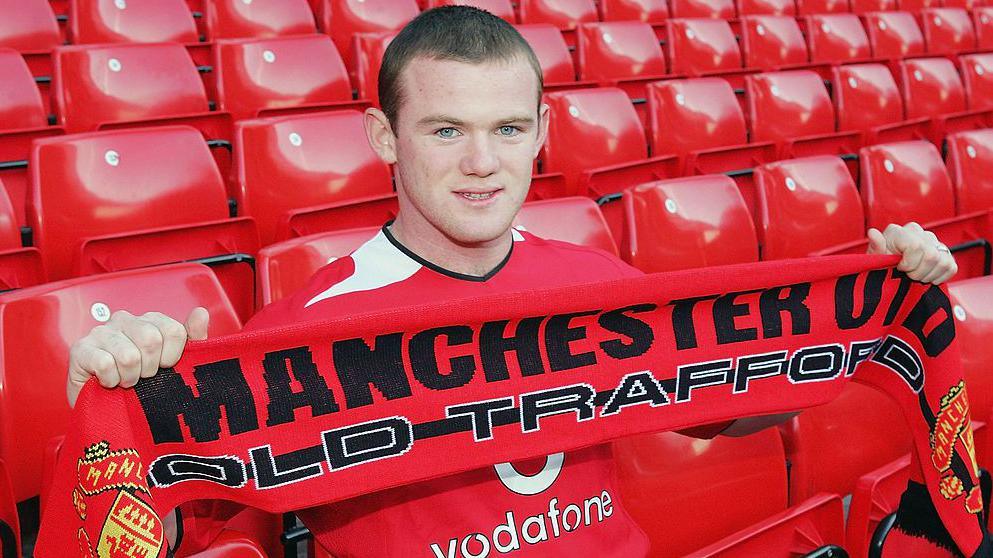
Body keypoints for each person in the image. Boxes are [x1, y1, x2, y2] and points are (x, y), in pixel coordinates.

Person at [65, 6, 958, 556]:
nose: (482, 164)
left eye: (506, 129)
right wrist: (104, 411)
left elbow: (732, 398)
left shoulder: (595, 282)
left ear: (540, 133)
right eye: (445, 130)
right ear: (384, 138)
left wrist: (867, 306)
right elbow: (171, 521)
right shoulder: (311, 329)